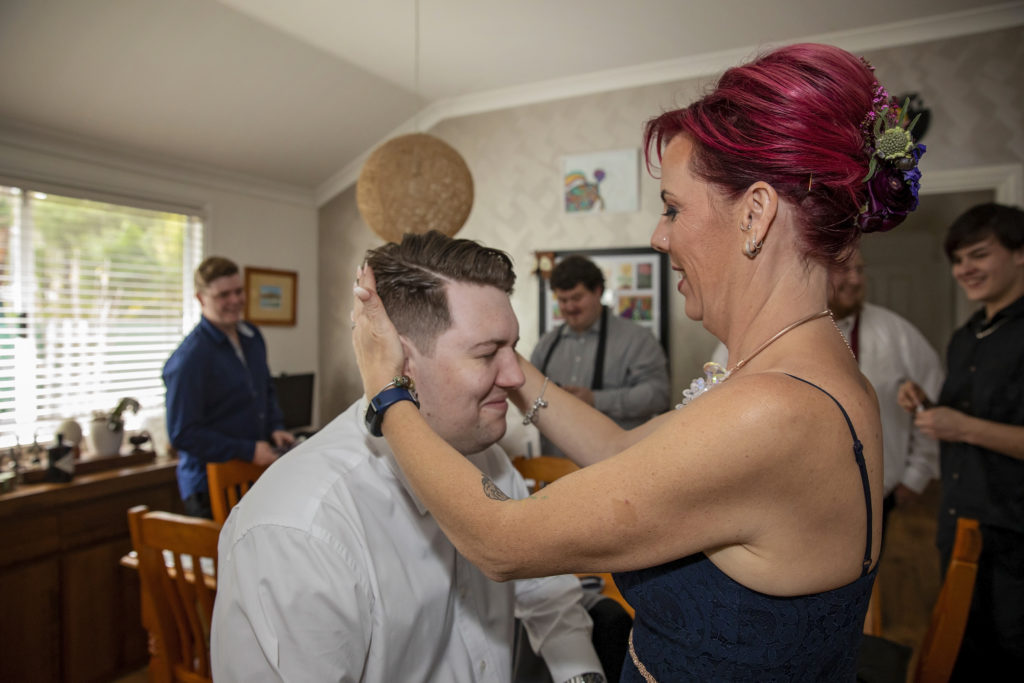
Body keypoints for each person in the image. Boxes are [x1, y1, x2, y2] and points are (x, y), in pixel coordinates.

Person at [353, 43, 926, 680]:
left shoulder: (773, 409)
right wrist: (513, 366)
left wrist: (386, 387)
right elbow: (623, 453)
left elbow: (499, 539)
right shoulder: (806, 376)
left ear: (756, 214)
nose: (660, 235)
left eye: (673, 208)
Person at [212, 231, 607, 683]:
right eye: (487, 353)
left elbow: (547, 595)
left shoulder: (491, 463)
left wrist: (580, 673)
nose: (517, 376)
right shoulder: (299, 530)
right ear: (399, 361)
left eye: (512, 348)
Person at [713, 246, 945, 532]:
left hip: (873, 498)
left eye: (860, 270)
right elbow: (716, 404)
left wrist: (916, 476)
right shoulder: (758, 333)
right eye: (843, 270)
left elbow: (933, 404)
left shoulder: (899, 335)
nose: (856, 280)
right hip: (780, 501)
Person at [897, 202, 1024, 679]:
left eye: (979, 255)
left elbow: (970, 426)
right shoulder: (966, 336)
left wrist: (961, 427)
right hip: (961, 522)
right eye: (957, 260)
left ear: (1020, 254)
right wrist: (927, 405)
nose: (964, 270)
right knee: (964, 649)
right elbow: (973, 416)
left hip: (1013, 531)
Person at [162, 256, 294, 519]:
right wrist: (246, 449)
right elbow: (182, 433)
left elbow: (265, 389)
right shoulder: (190, 358)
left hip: (251, 477)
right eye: (223, 295)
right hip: (208, 488)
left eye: (238, 291)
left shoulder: (253, 337)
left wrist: (275, 427)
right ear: (201, 299)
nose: (234, 301)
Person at [531, 255, 670, 457]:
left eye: (577, 298)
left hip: (618, 464)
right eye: (563, 300)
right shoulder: (546, 344)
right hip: (555, 468)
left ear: (597, 291)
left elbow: (658, 395)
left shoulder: (638, 339)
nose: (570, 307)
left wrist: (596, 400)